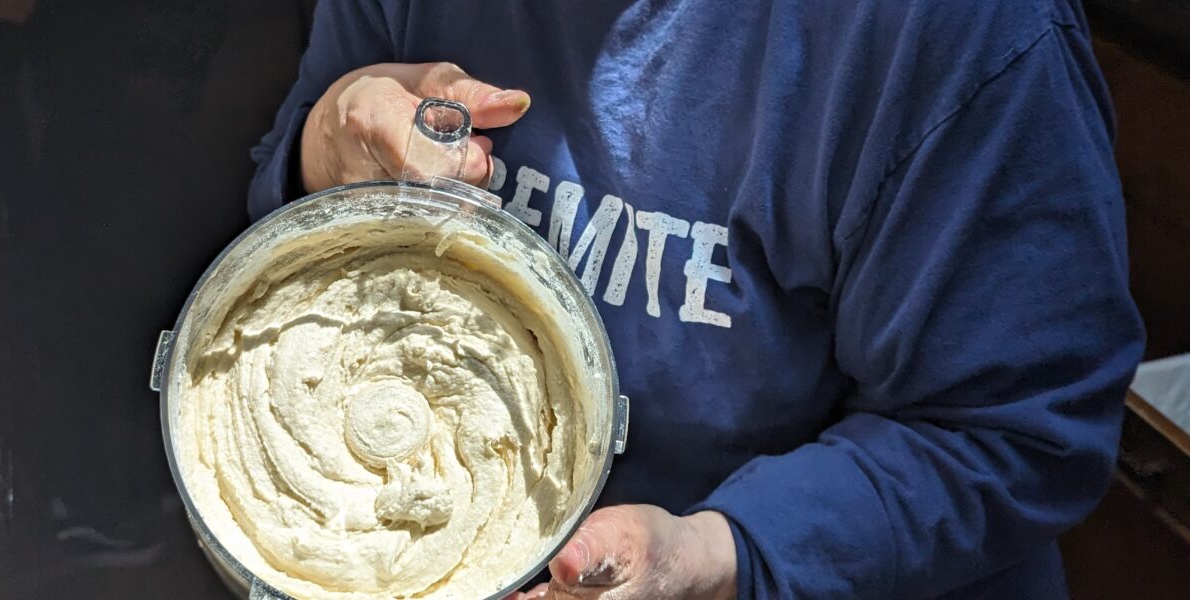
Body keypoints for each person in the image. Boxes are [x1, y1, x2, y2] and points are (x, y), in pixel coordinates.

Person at [247, 1, 1145, 598]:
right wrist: (323, 146)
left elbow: (1019, 434)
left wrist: (724, 555)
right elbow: (296, 224)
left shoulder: (958, 38)